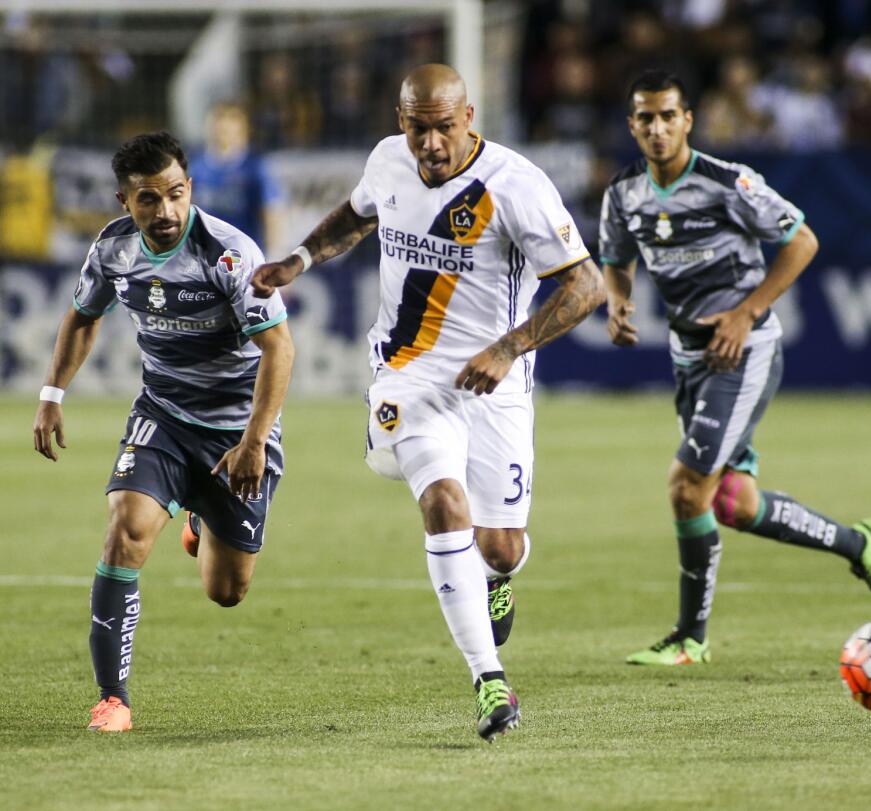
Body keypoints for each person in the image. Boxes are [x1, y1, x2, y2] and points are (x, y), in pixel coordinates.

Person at [250, 64, 604, 741]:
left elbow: (585, 287)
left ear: (469, 116)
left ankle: (496, 576)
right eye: (419, 128)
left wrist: (509, 347)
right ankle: (488, 678)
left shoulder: (516, 186)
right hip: (407, 377)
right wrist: (297, 259)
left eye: (445, 127)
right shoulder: (388, 161)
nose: (432, 143)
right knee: (443, 502)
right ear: (400, 120)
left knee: (500, 547)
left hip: (496, 380)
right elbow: (354, 218)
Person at [599, 70, 871, 667]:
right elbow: (617, 256)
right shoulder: (623, 193)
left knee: (687, 488)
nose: (657, 128)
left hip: (745, 350)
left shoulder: (727, 182)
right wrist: (617, 299)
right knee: (733, 502)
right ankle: (858, 543)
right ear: (632, 126)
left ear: (688, 120)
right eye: (645, 119)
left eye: (668, 116)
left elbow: (803, 240)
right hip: (689, 356)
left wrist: (745, 313)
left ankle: (691, 637)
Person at [32, 131, 294, 731]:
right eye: (149, 199)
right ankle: (112, 699)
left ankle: (202, 517)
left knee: (227, 592)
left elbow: (279, 349)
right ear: (125, 201)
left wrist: (253, 441)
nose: (166, 211)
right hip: (163, 415)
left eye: (176, 194)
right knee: (125, 531)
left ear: (190, 189)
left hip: (236, 431)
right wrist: (51, 395)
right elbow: (82, 315)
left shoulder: (229, 253)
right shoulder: (113, 247)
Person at [189, 102, 285, 253]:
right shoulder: (196, 167)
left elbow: (271, 212)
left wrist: (273, 255)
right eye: (219, 120)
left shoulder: (255, 167)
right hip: (207, 258)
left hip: (244, 257)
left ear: (243, 129)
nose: (222, 127)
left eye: (230, 121)